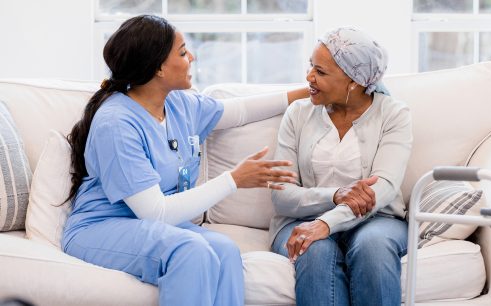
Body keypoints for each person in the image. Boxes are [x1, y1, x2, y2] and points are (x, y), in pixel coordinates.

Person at [62, 15, 308, 306]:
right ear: (158, 68)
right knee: (191, 250)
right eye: (182, 52)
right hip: (102, 227)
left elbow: (239, 111)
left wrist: (310, 92)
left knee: (225, 250)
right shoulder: (116, 124)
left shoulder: (177, 104)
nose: (192, 56)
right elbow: (155, 213)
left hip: (155, 227)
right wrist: (234, 179)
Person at [270, 27, 413, 306]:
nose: (309, 77)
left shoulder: (394, 114)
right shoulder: (298, 113)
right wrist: (335, 196)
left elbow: (382, 188)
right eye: (311, 66)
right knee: (313, 250)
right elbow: (281, 194)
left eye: (321, 72)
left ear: (354, 82)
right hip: (301, 221)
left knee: (374, 247)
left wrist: (326, 222)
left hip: (377, 219)